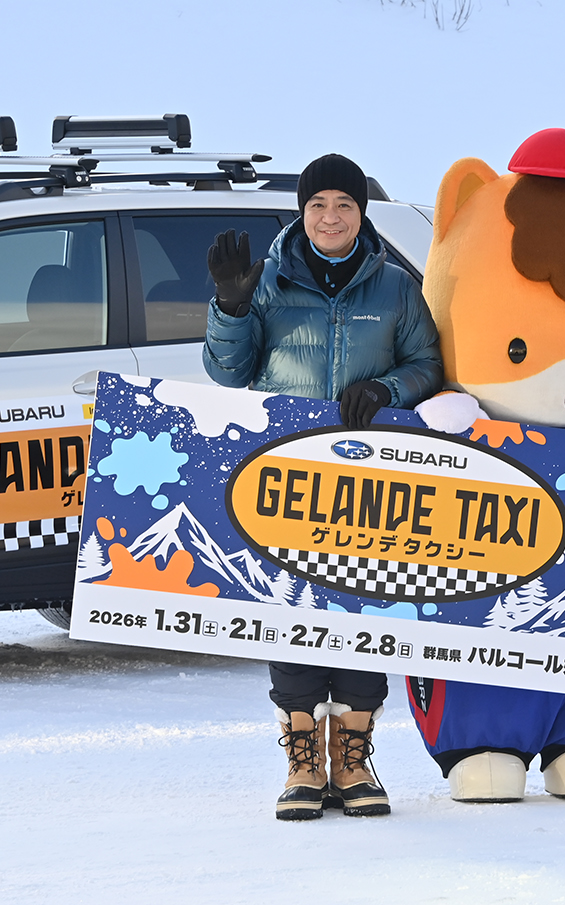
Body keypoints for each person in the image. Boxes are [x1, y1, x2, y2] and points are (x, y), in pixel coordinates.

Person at [203, 153, 443, 821]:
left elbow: (428, 363)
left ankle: (354, 760)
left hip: (371, 480)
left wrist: (387, 389)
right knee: (295, 612)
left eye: (343, 205)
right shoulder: (266, 281)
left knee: (366, 613)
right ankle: (304, 763)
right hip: (287, 479)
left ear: (361, 213)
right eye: (317, 205)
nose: (330, 217)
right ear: (301, 213)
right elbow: (228, 374)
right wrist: (231, 307)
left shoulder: (396, 286)